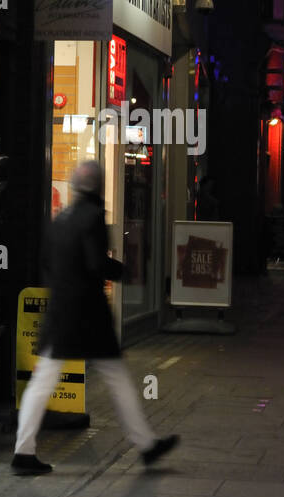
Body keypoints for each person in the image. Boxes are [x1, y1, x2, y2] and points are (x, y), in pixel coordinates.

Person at [13, 160, 178, 474]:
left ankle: (23, 451)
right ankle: (145, 444)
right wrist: (122, 271)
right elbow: (95, 264)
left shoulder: (60, 219)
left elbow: (46, 261)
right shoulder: (93, 217)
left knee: (42, 381)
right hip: (88, 314)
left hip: (60, 311)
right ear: (100, 186)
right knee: (117, 378)